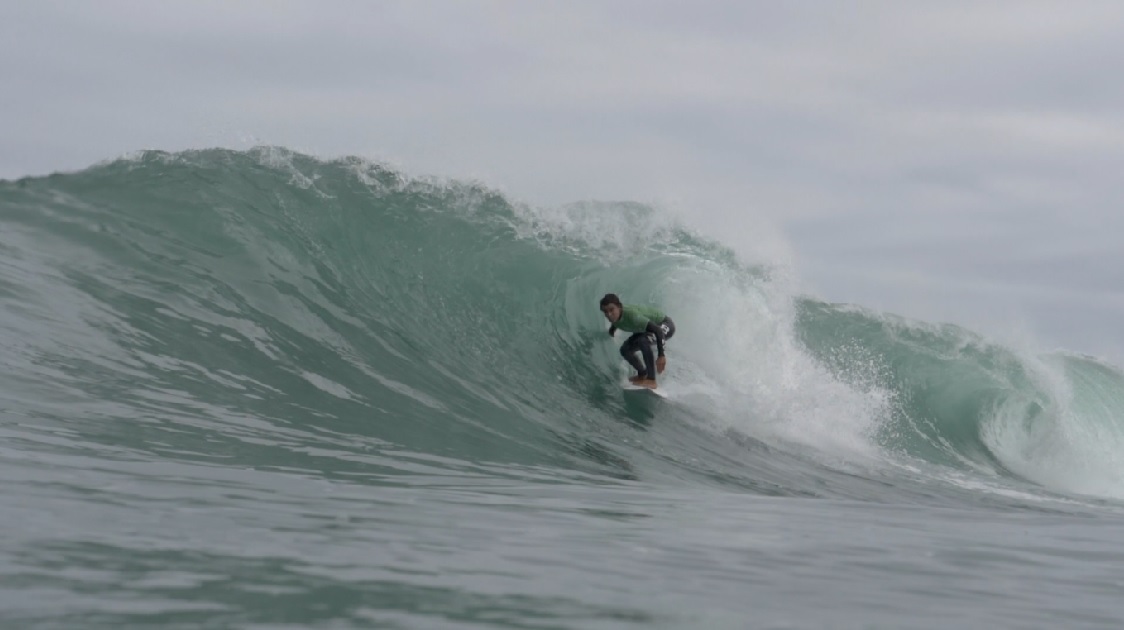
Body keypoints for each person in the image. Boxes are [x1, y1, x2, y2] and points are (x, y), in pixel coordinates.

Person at [599, 293, 676, 389]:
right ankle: (642, 374)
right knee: (625, 350)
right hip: (648, 330)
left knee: (642, 340)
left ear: (619, 307)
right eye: (605, 312)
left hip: (664, 325)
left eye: (611, 310)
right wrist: (612, 330)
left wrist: (661, 355)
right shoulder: (616, 317)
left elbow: (658, 330)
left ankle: (651, 380)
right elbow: (617, 321)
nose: (609, 314)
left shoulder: (632, 316)